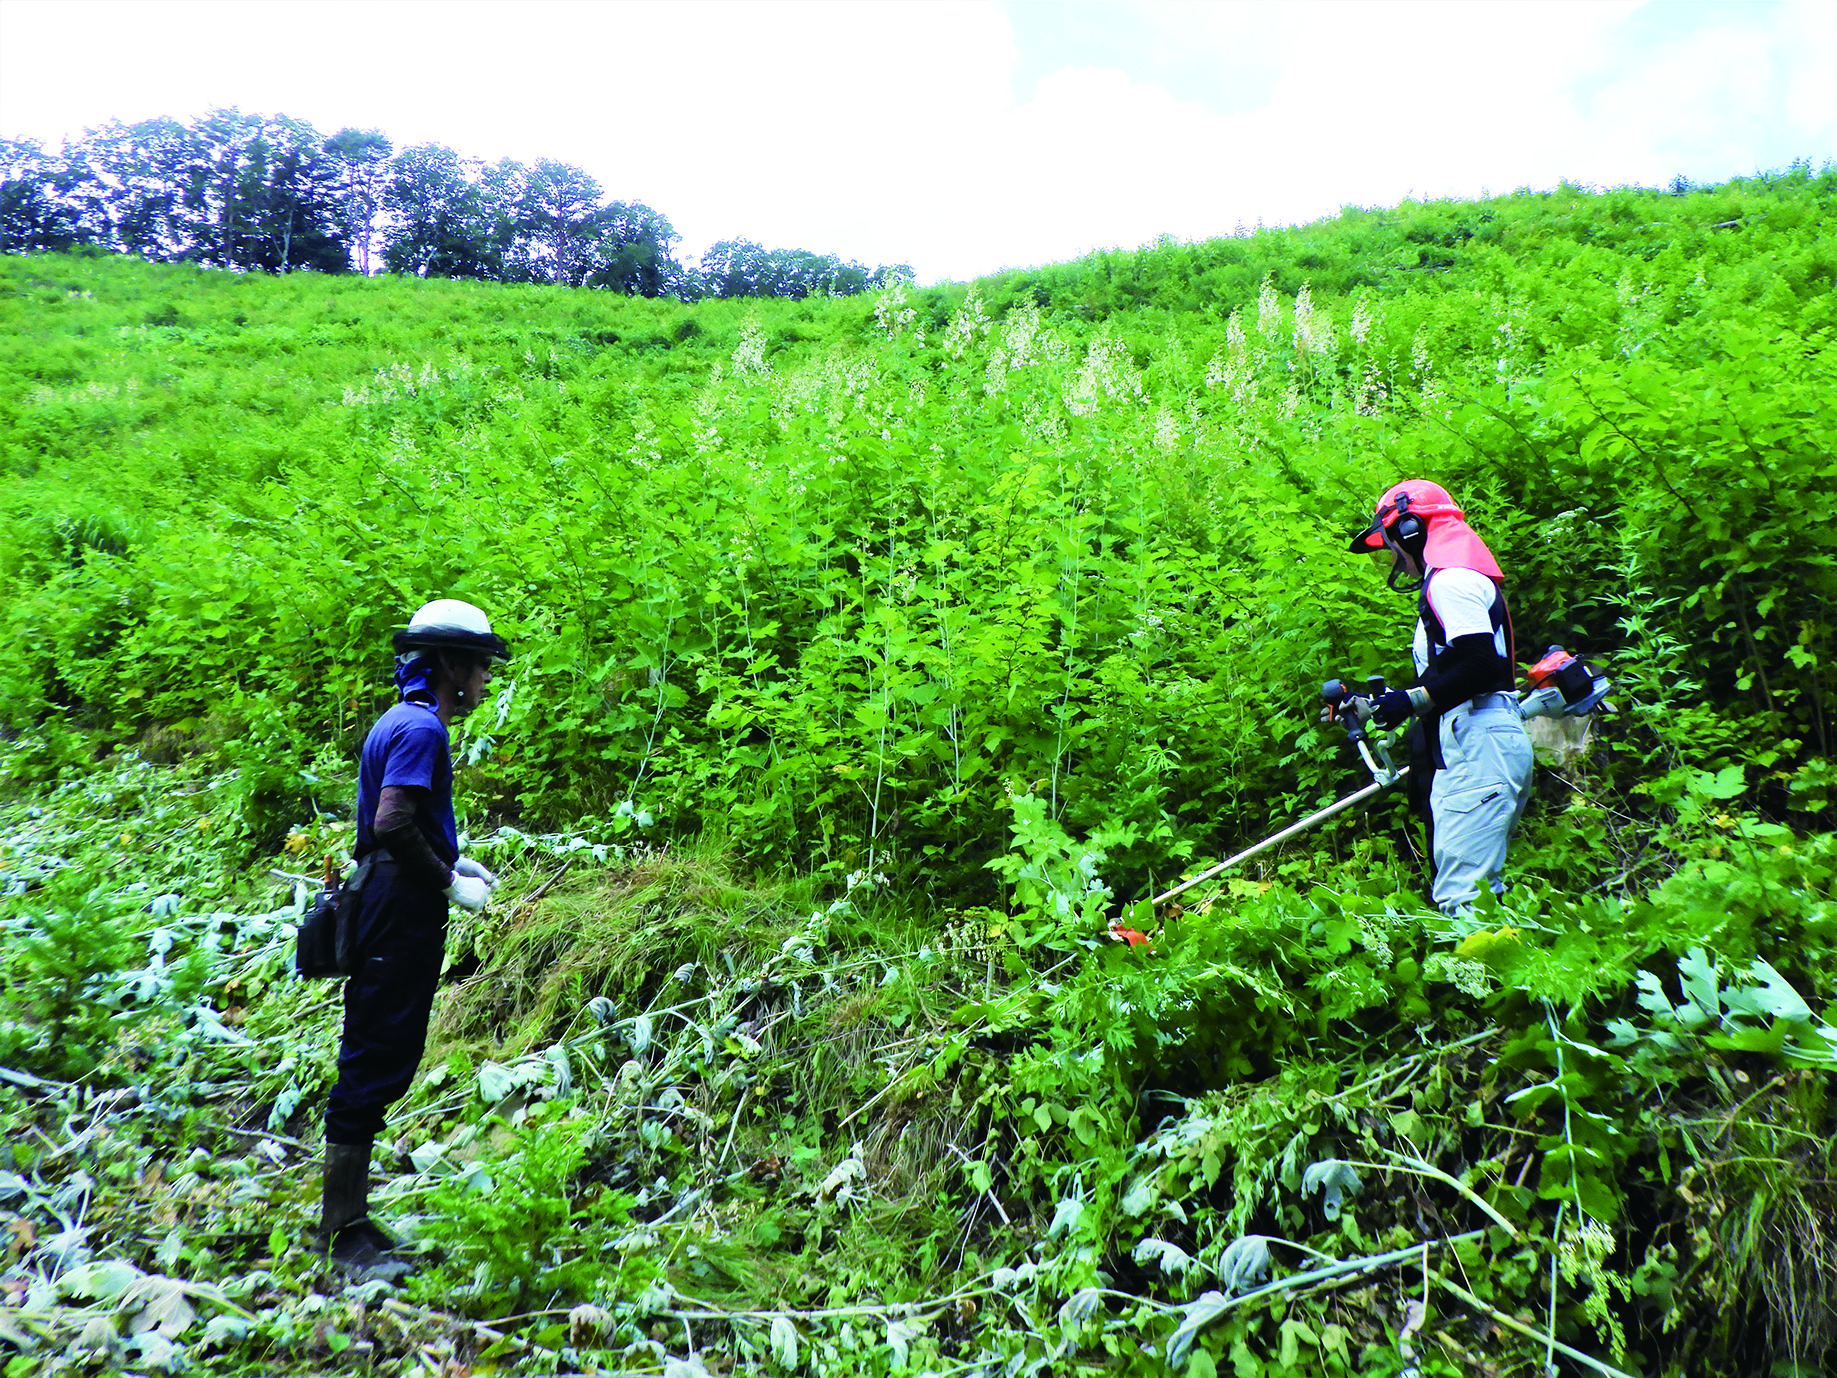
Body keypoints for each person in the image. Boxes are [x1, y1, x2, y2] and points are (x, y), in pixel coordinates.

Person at [318, 598, 510, 1277]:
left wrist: (452, 857)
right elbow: (394, 824)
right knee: (373, 1056)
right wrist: (447, 884)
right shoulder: (422, 730)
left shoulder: (404, 722)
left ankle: (353, 1220)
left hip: (389, 899)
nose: (485, 681)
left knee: (380, 1049)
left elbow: (391, 826)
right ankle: (341, 1237)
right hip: (396, 910)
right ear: (449, 665)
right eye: (480, 668)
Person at [1348, 481, 1533, 916]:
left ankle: (1478, 981)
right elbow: (1454, 670)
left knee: (1464, 901)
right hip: (1479, 737)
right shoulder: (1454, 581)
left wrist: (1412, 701)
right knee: (1480, 894)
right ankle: (1504, 975)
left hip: (1477, 741)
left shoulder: (1451, 582)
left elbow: (1480, 664)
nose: (1393, 555)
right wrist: (1388, 701)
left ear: (1411, 530)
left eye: (1392, 542)